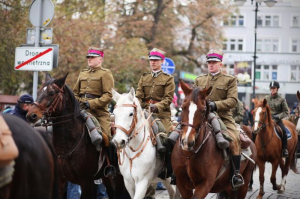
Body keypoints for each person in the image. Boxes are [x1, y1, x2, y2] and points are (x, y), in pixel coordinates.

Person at [193, 49, 244, 189]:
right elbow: (192, 99)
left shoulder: (230, 80)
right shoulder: (199, 80)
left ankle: (236, 174)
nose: (211, 65)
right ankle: (178, 171)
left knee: (234, 140)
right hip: (202, 117)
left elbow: (233, 100)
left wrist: (216, 105)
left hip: (223, 117)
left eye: (214, 62)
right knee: (184, 135)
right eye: (209, 62)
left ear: (220, 64)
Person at [136, 48, 175, 199]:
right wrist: (139, 106)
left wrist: (156, 107)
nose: (153, 62)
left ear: (162, 62)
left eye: (156, 60)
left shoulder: (168, 78)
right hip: (144, 113)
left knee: (164, 138)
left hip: (161, 115)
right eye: (151, 60)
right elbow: (139, 95)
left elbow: (168, 99)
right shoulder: (144, 77)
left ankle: (167, 169)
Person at [73, 47, 114, 150]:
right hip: (81, 111)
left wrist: (91, 104)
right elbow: (75, 93)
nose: (89, 59)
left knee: (107, 137)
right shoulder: (83, 73)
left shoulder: (105, 73)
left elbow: (108, 95)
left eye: (92, 57)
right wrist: (81, 102)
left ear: (100, 59)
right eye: (88, 57)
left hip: (99, 113)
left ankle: (110, 164)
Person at [265, 81, 289, 157]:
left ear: (277, 89)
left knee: (284, 131)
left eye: (274, 88)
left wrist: (278, 116)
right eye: (271, 88)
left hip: (277, 120)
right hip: (267, 120)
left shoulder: (282, 99)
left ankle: (284, 149)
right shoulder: (266, 98)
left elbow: (285, 111)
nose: (272, 89)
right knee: (255, 129)